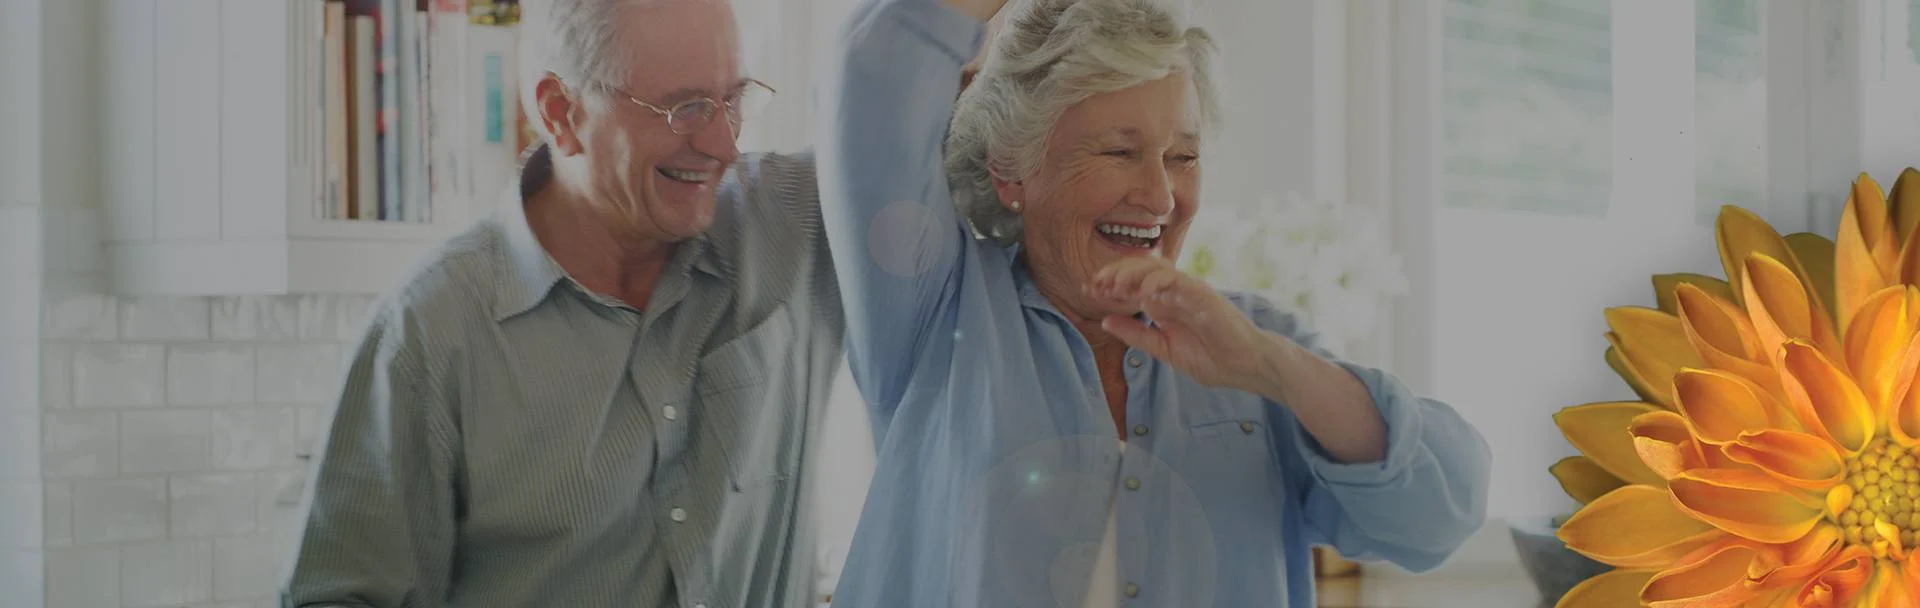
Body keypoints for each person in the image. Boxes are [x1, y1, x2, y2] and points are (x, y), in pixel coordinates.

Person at [816, 0, 1494, 605]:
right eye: (1120, 151)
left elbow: (1440, 512)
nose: (1162, 197)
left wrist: (1270, 367)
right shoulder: (937, 314)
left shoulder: (1254, 344)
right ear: (1010, 168)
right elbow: (879, 70)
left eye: (1183, 156)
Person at [279, 0, 842, 606]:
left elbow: (918, 83)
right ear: (561, 112)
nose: (724, 143)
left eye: (733, 99)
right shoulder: (433, 332)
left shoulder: (791, 222)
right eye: (686, 108)